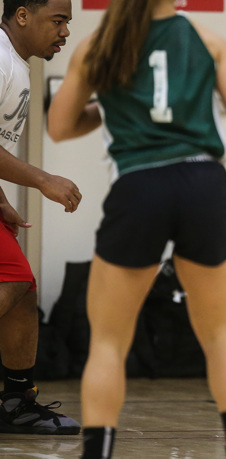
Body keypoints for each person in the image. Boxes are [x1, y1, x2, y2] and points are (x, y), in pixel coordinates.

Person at [47, 0, 226, 457]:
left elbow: (59, 126)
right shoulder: (208, 40)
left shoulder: (97, 45)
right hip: (204, 182)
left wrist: (113, 107)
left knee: (107, 340)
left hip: (139, 185)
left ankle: (97, 452)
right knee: (222, 334)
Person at [0, 0, 81, 435]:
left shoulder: (15, 64)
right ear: (23, 15)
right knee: (10, 279)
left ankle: (17, 401)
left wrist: (0, 200)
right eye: (58, 20)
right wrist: (43, 179)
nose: (65, 31)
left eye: (67, 21)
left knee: (23, 290)